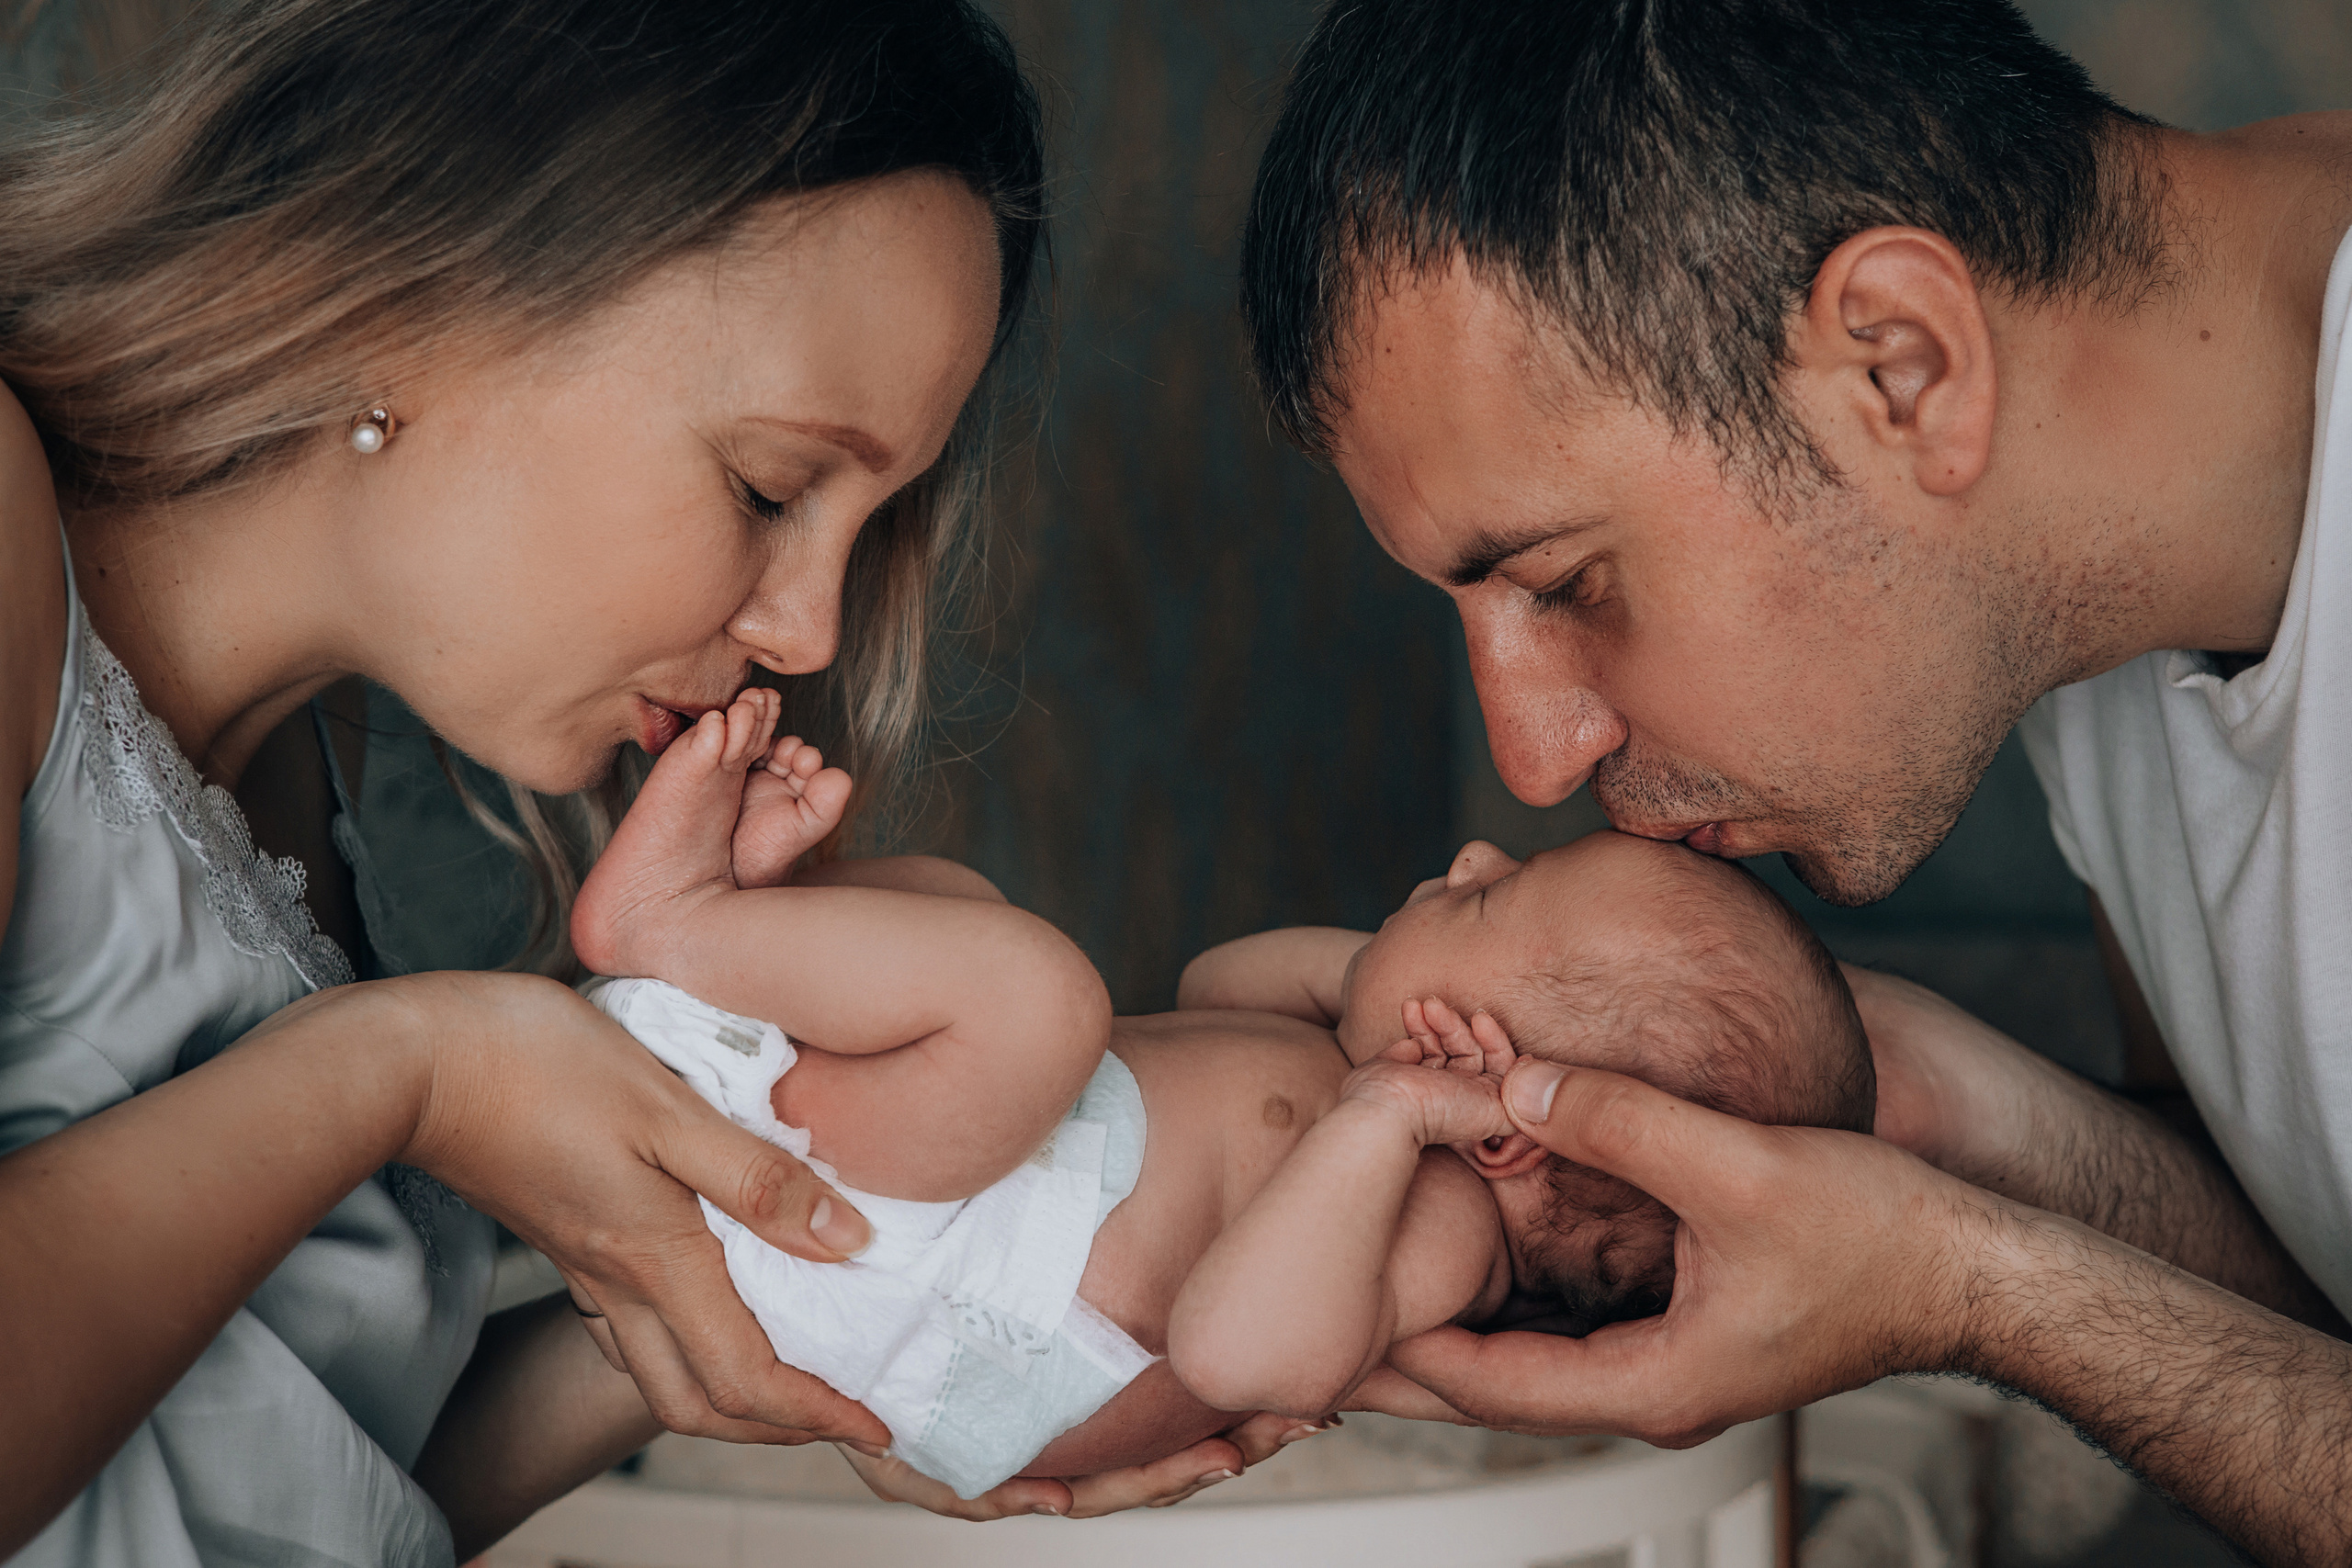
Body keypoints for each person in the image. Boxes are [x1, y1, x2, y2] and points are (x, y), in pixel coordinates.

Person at [0, 2, 1302, 1561]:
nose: (808, 631)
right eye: (768, 486)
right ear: (428, 283)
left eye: (865, 527)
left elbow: (277, 1486)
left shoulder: (311, 774)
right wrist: (413, 1074)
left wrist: (780, 1309)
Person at [1238, 0, 2352, 1561]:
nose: (1535, 761)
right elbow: (2319, 1284)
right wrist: (1943, 1110)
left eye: (1567, 582)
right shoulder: (2079, 588)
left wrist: (1980, 1294)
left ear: (1902, 365)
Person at [555, 688, 1874, 1504]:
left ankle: (673, 925)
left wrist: (1385, 1118)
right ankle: (749, 934)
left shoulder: (1440, 1231)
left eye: (1491, 898)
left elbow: (1240, 1358)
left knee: (1041, 1000)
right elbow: (1213, 984)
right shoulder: (1356, 1086)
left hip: (963, 1280)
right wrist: (1376, 1004)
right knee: (971, 913)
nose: (1472, 852)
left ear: (1506, 1132)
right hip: (943, 1212)